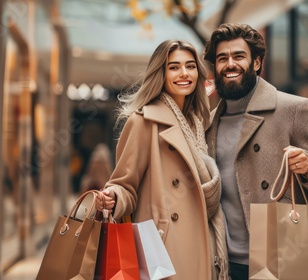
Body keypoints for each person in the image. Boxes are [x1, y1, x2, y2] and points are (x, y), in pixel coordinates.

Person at [203, 23, 308, 280]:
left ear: (256, 63)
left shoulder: (295, 109)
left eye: (239, 56)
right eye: (222, 58)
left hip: (280, 256)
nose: (230, 64)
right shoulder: (208, 123)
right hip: (223, 261)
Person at [94, 39, 228, 280]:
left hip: (204, 241)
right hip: (161, 247)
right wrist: (114, 197)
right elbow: (125, 183)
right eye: (174, 67)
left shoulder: (200, 122)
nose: (184, 73)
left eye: (190, 66)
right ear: (161, 73)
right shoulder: (143, 121)